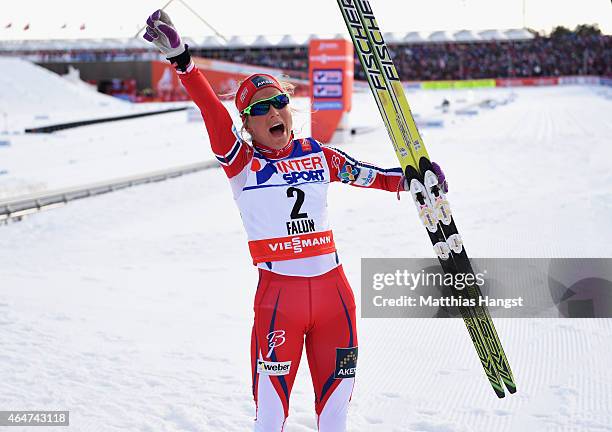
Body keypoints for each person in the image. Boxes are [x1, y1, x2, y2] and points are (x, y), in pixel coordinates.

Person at [143, 10, 447, 432]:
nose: (274, 112)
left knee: (335, 416)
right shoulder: (242, 164)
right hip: (278, 303)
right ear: (246, 124)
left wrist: (413, 181)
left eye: (280, 102)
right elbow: (212, 110)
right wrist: (183, 62)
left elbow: (369, 175)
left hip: (334, 299)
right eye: (260, 108)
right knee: (270, 419)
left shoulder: (317, 154)